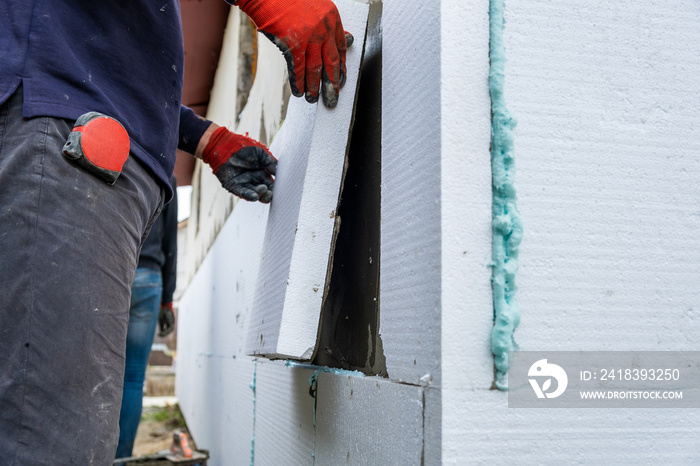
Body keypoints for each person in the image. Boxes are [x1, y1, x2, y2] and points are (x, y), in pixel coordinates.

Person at [0, 0, 352, 463]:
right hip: (67, 142)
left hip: (82, 147)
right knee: (52, 440)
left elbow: (121, 61)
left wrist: (206, 139)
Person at [116, 175, 178, 459]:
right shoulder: (163, 172)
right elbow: (170, 243)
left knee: (98, 369)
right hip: (149, 278)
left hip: (112, 270)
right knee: (132, 378)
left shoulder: (110, 151)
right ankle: (120, 458)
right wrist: (168, 300)